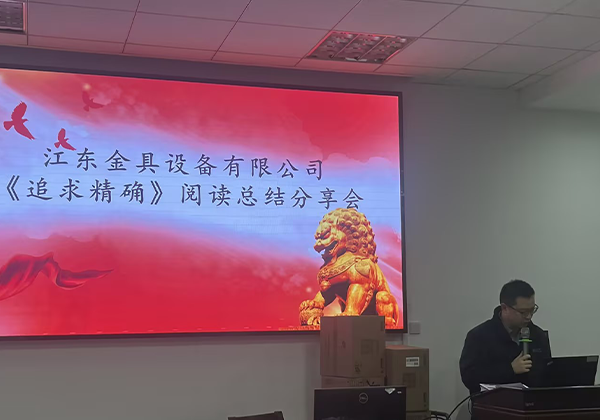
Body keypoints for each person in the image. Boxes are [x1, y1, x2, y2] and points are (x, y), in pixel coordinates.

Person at [460, 280, 551, 395]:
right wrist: (510, 369)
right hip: (493, 403)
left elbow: (547, 374)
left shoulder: (538, 335)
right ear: (504, 308)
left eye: (532, 310)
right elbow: (469, 377)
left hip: (533, 402)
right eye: (523, 312)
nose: (528, 316)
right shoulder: (479, 336)